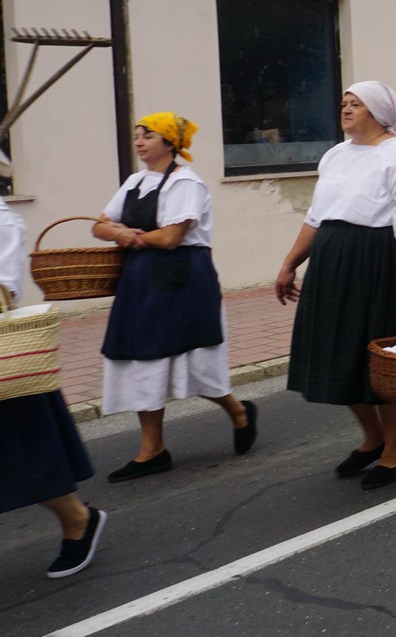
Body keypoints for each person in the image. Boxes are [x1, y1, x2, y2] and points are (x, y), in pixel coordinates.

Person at [276, 81, 396, 491]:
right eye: (344, 102)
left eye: (356, 104)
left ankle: (395, 451)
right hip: (333, 264)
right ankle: (372, 437)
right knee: (338, 354)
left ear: (378, 112)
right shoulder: (334, 156)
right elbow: (317, 217)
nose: (346, 109)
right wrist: (289, 264)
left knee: (383, 361)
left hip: (378, 264)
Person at [92, 112, 256, 482]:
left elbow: (170, 238)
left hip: (182, 279)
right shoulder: (135, 181)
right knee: (142, 359)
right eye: (136, 135)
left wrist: (128, 236)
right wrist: (116, 231)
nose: (138, 142)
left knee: (195, 361)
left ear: (169, 142)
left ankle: (239, 411)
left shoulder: (186, 183)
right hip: (140, 280)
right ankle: (153, 449)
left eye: (147, 135)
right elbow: (98, 225)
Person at [0, 192, 107, 579]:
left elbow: (3, 289)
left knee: (27, 458)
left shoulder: (3, 220)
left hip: (6, 366)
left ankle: (79, 518)